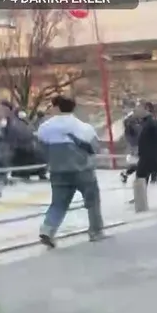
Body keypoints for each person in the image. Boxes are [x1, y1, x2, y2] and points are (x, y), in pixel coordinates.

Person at [36, 96, 106, 247]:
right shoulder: (84, 127)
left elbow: (40, 148)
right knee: (92, 201)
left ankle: (47, 230)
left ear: (56, 107)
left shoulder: (44, 128)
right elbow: (95, 148)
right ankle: (96, 231)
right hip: (83, 170)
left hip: (58, 171)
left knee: (58, 203)